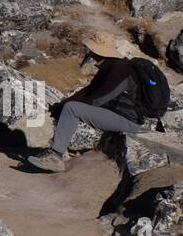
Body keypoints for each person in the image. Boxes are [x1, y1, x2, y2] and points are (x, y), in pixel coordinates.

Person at [27, 35, 149, 173]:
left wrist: (67, 106)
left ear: (98, 51)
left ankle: (56, 157)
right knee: (70, 106)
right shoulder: (112, 66)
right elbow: (89, 91)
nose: (89, 52)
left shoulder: (119, 70)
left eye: (91, 49)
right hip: (124, 116)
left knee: (72, 109)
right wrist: (63, 104)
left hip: (130, 122)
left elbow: (97, 99)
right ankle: (57, 152)